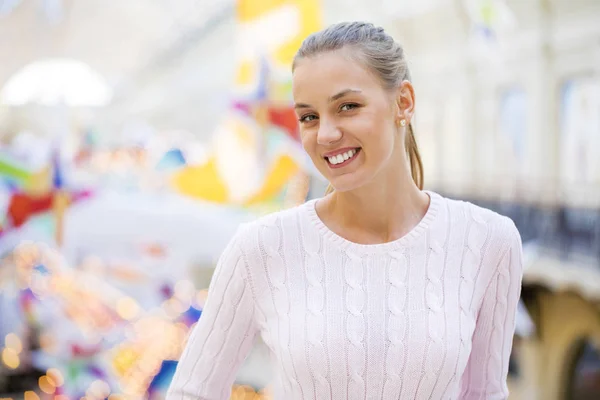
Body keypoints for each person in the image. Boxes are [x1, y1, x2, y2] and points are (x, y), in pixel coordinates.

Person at [167, 21, 523, 400]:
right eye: (309, 117)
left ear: (403, 102)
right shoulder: (261, 247)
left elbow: (485, 394)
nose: (325, 134)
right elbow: (192, 392)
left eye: (347, 107)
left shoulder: (488, 241)